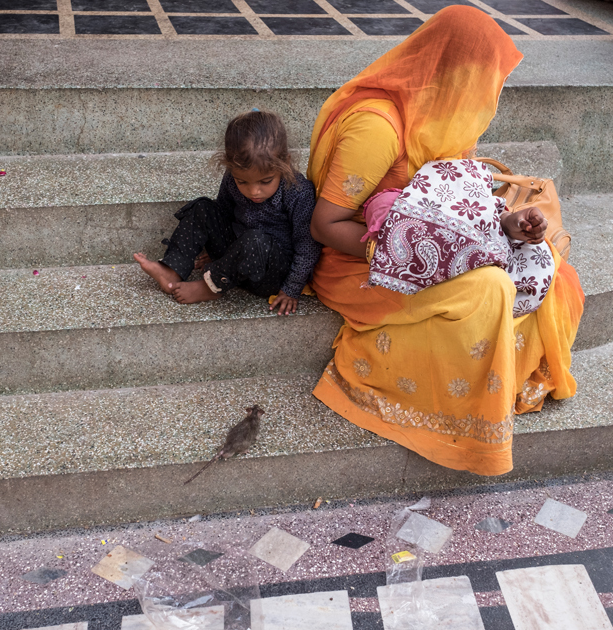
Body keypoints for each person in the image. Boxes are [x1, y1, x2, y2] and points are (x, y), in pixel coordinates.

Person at [306, 6, 585, 476]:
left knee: (551, 267)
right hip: (362, 260)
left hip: (434, 255)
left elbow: (452, 209)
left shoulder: (445, 121)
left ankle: (493, 378)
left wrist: (508, 228)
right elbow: (325, 225)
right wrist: (406, 255)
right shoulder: (378, 127)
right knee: (491, 289)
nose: (485, 96)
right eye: (481, 79)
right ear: (450, 72)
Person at [134, 110, 320, 316]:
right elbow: (223, 213)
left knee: (255, 240)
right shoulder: (232, 177)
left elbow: (307, 246)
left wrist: (291, 289)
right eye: (243, 182)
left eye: (265, 181)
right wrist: (223, 256)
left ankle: (211, 287)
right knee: (203, 208)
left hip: (270, 272)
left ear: (285, 162)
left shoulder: (298, 191)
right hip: (237, 257)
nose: (253, 191)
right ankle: (171, 270)